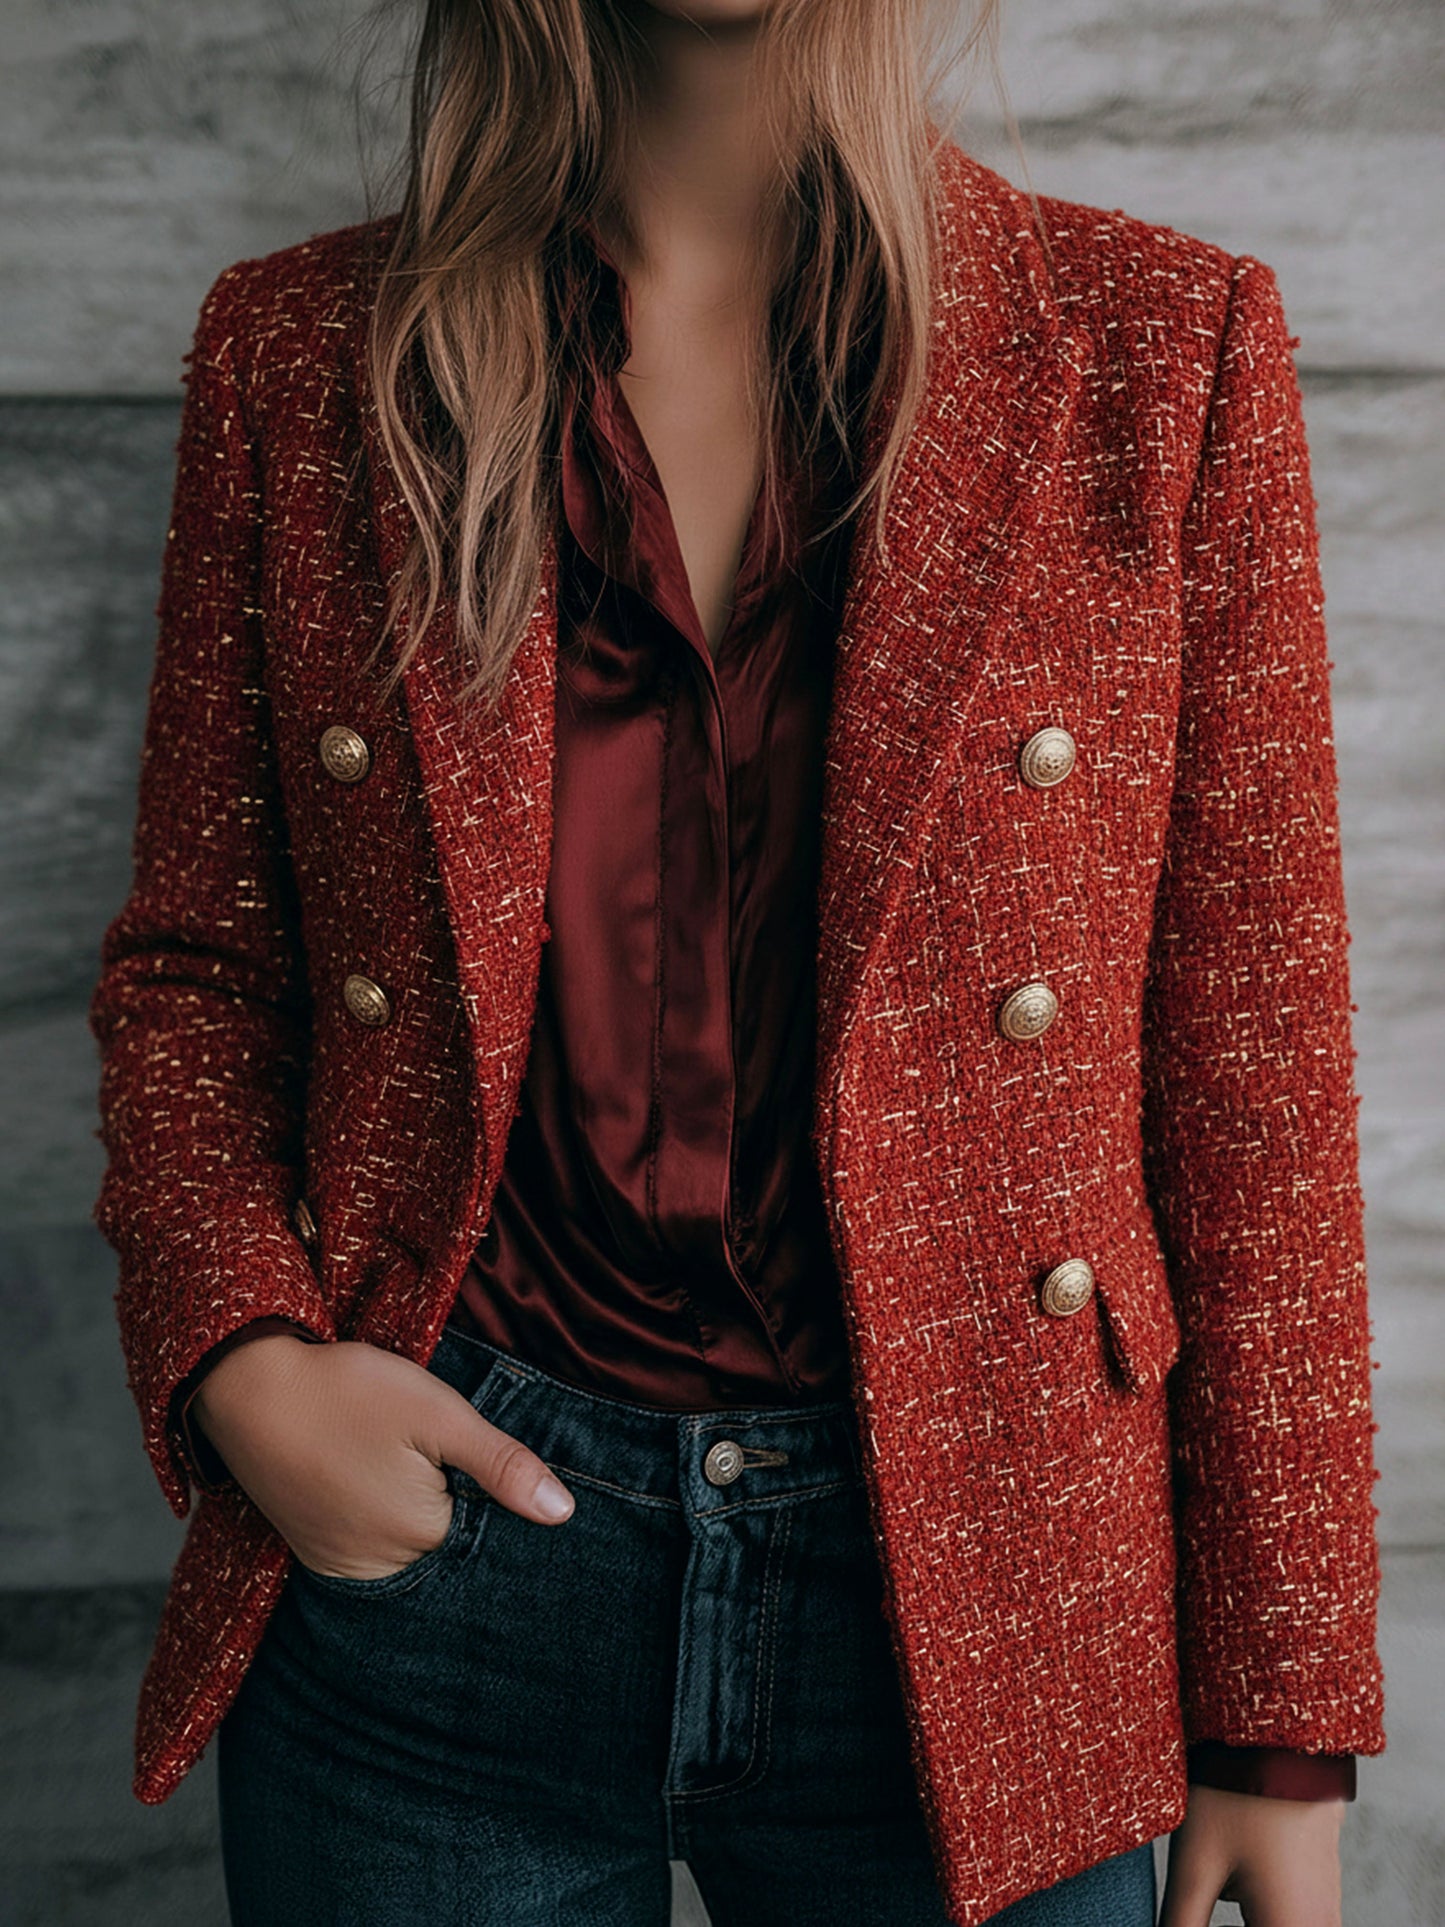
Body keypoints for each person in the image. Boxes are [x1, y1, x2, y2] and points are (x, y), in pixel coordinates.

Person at [87, 0, 1386, 1922]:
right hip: (440, 1568)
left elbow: (1253, 1067)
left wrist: (1275, 1717)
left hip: (996, 1570)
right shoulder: (301, 355)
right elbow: (201, 964)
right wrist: (252, 1372)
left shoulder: (1153, 349)